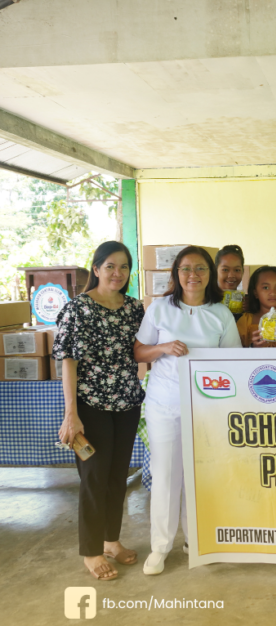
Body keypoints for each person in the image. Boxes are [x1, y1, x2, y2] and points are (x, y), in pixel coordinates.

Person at [134, 246, 241, 575]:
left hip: (207, 406)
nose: (192, 275)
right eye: (185, 268)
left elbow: (232, 362)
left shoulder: (220, 313)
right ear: (175, 274)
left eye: (200, 269)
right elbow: (139, 351)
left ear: (211, 274)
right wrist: (163, 348)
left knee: (202, 474)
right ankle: (160, 546)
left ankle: (196, 539)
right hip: (164, 402)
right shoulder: (160, 308)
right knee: (166, 472)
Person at [52, 241, 145, 581]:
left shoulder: (135, 308)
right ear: (96, 269)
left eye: (123, 267)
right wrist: (70, 413)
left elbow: (140, 351)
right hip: (90, 406)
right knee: (94, 478)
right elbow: (68, 362)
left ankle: (112, 541)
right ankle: (91, 552)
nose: (117, 273)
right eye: (110, 266)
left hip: (126, 405)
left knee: (117, 477)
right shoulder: (78, 308)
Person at [215, 244, 246, 321]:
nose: (231, 275)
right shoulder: (206, 299)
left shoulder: (247, 302)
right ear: (215, 271)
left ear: (243, 271)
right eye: (225, 270)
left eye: (237, 270)